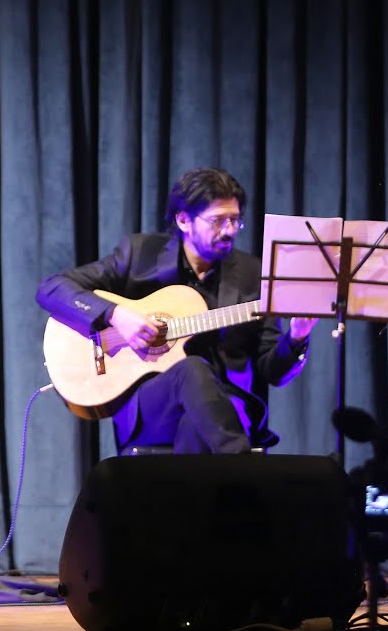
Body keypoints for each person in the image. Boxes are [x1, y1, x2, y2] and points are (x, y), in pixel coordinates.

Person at [36, 166, 317, 454]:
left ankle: (214, 483)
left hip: (229, 405)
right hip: (152, 404)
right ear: (184, 220)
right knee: (191, 370)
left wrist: (297, 338)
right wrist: (116, 314)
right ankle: (245, 472)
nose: (230, 231)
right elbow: (52, 288)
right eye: (218, 221)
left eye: (235, 220)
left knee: (197, 430)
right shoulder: (140, 254)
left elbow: (273, 371)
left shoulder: (252, 273)